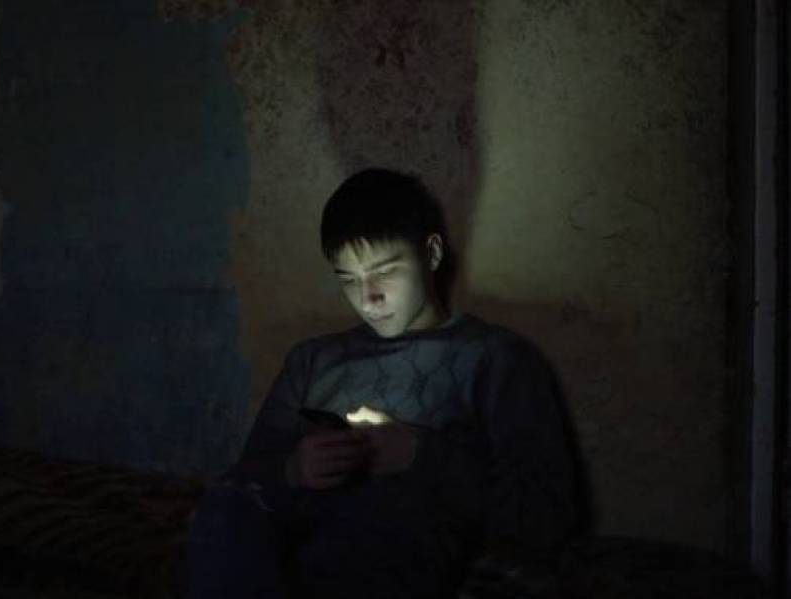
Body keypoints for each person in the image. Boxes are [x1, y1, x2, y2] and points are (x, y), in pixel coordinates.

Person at [180, 168, 577, 599]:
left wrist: (419, 455)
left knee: (377, 519)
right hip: (285, 552)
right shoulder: (313, 360)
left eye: (385, 272)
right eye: (348, 279)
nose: (368, 298)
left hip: (390, 556)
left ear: (432, 253)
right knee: (222, 511)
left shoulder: (496, 358)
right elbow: (241, 482)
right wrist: (294, 468)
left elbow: (548, 512)